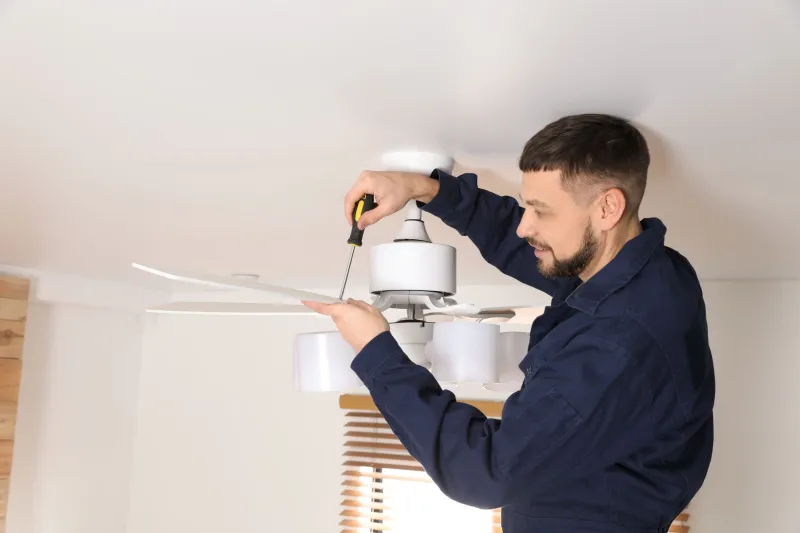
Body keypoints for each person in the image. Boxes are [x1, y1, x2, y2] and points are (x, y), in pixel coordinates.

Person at [303, 114, 715, 533]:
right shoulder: (648, 271)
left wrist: (377, 353)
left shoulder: (618, 345)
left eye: (540, 210)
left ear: (608, 207)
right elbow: (539, 255)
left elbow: (483, 473)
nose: (525, 224)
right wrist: (427, 189)